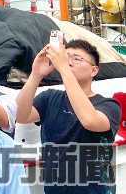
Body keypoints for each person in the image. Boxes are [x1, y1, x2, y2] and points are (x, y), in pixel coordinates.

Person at [15, 38, 121, 193]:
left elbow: (89, 120)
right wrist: (36, 75)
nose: (69, 62)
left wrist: (64, 67)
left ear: (94, 70)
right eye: (66, 57)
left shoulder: (109, 106)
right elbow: (20, 115)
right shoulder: (49, 97)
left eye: (76, 59)